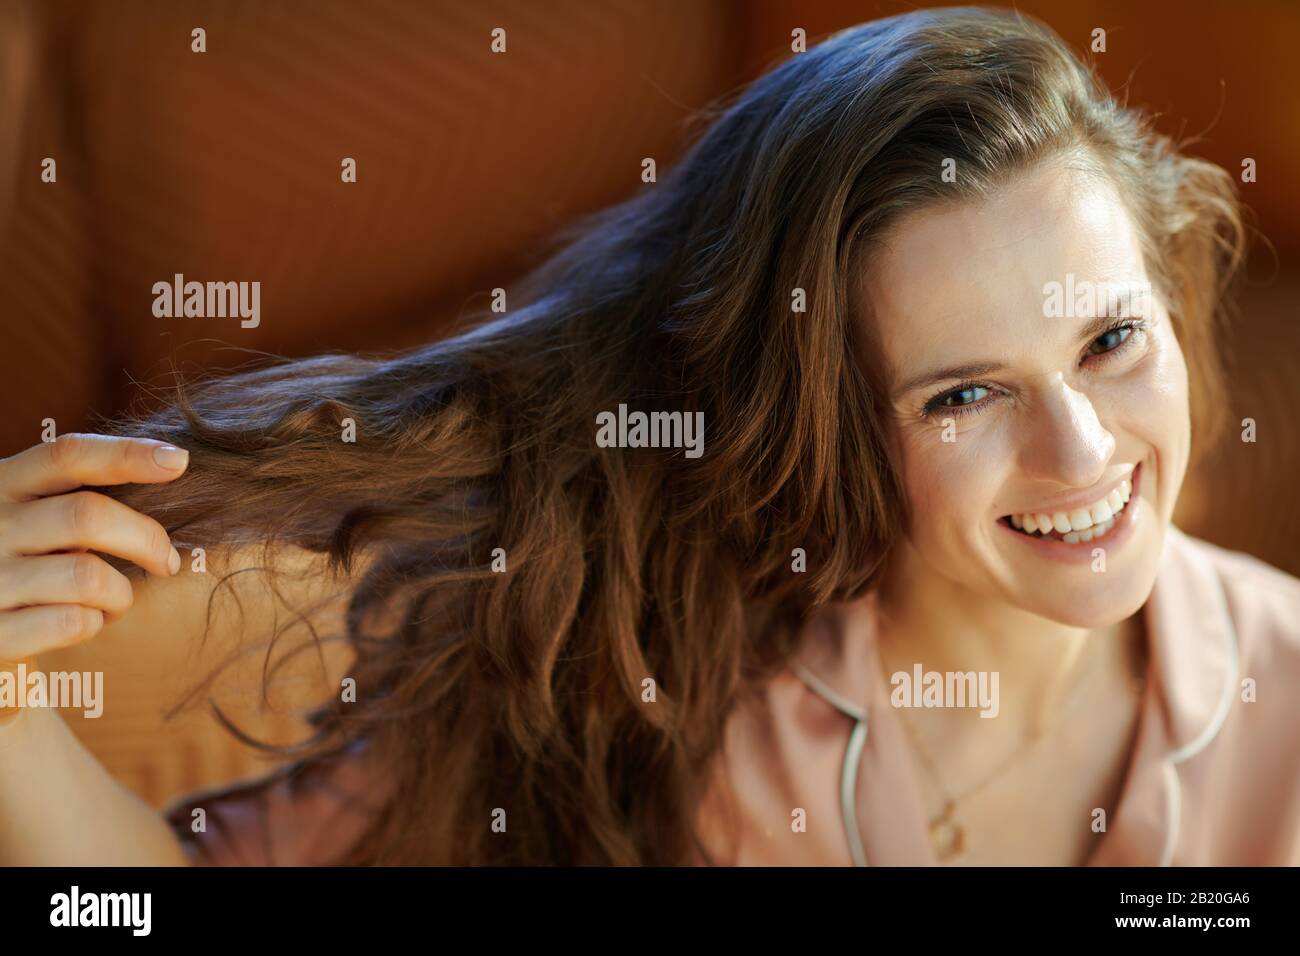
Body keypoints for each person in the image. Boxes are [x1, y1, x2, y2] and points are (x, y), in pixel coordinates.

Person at [2, 7, 1297, 867]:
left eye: (1111, 342)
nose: (1081, 455)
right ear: (834, 419)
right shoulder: (641, 649)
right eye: (963, 394)